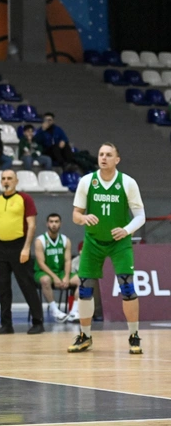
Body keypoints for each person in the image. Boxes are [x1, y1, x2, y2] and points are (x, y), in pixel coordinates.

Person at [68, 143, 145, 354]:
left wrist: (127, 230)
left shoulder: (128, 183)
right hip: (93, 242)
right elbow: (75, 215)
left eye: (108, 155)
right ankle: (85, 336)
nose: (103, 158)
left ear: (116, 160)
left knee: (127, 288)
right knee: (84, 288)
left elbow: (140, 217)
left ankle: (134, 335)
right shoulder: (87, 181)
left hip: (119, 242)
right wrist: (83, 217)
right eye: (101, 154)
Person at [0, 170, 44, 335]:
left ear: (16, 181)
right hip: (1, 247)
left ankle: (38, 322)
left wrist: (26, 248)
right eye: (3, 178)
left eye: (9, 178)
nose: (6, 181)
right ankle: (6, 324)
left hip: (19, 246)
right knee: (3, 287)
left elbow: (32, 225)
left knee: (27, 285)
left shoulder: (24, 199)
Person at [34, 213, 79, 324]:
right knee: (46, 280)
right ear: (47, 224)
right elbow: (41, 263)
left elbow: (68, 260)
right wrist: (55, 277)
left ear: (60, 224)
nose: (54, 224)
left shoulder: (65, 240)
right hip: (42, 272)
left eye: (56, 221)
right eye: (51, 221)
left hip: (60, 272)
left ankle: (74, 312)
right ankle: (55, 311)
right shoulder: (40, 240)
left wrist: (67, 277)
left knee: (82, 279)